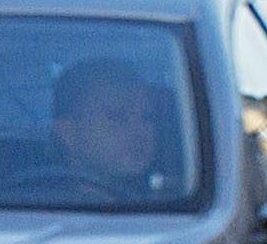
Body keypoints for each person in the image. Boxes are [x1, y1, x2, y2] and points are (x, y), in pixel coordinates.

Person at [52, 57, 175, 202]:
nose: (139, 131)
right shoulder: (41, 204)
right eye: (117, 116)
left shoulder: (177, 199)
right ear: (69, 132)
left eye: (147, 117)